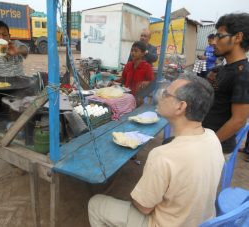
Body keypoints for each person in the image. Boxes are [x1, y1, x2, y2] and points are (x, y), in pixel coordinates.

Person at [88, 74, 224, 227]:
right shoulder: (212, 138)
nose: (159, 96)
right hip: (200, 221)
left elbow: (143, 207)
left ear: (180, 107)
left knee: (96, 204)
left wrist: (138, 196)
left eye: (166, 94)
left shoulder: (164, 155)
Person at [202, 13, 249, 155]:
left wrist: (208, 145)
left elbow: (239, 120)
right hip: (203, 135)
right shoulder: (224, 68)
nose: (214, 42)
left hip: (215, 146)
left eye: (219, 36)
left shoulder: (244, 74)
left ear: (238, 37)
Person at [118, 41, 154, 106]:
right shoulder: (128, 65)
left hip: (138, 100)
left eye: (136, 51)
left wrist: (146, 83)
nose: (133, 53)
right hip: (125, 98)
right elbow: (123, 79)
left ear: (142, 54)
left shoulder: (147, 67)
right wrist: (113, 81)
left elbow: (152, 84)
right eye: (132, 50)